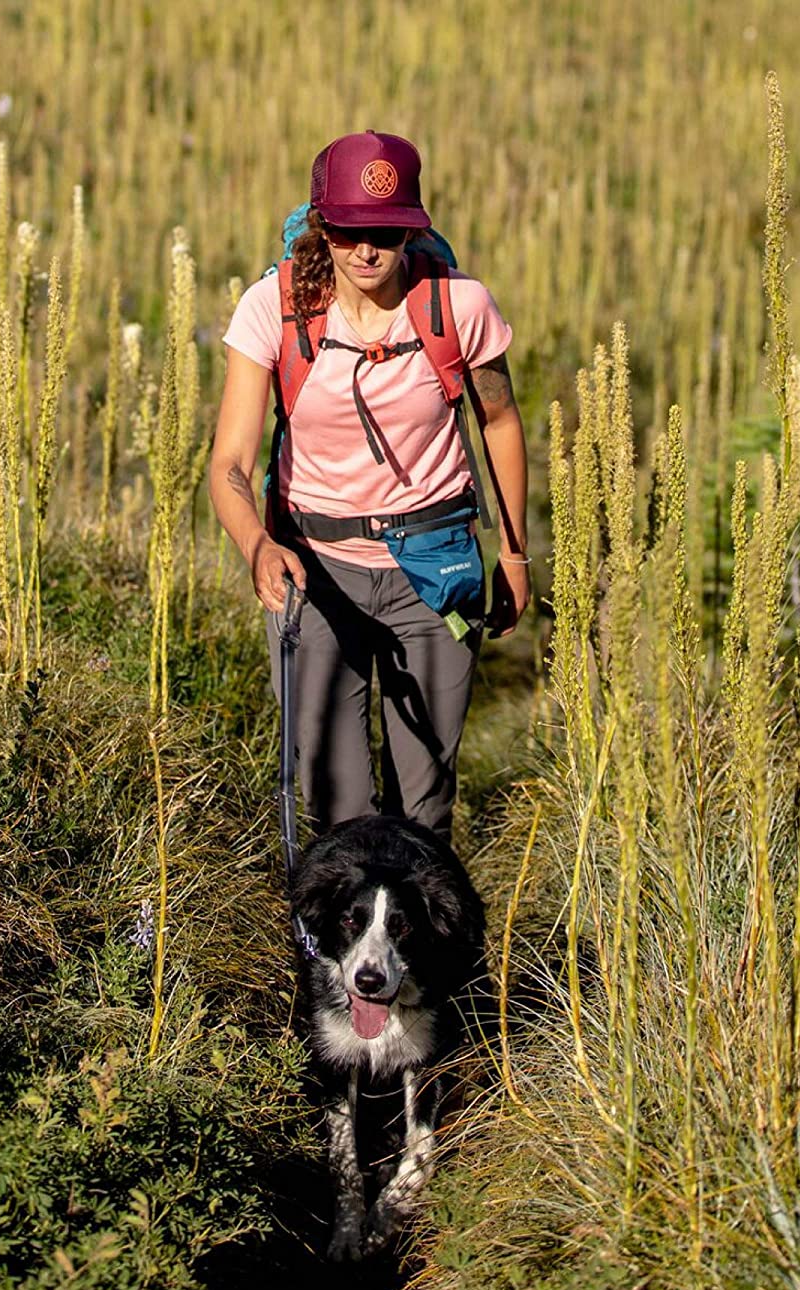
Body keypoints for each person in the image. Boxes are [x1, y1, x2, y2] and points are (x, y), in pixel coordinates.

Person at [208, 130, 529, 842]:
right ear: (323, 225)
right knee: (337, 809)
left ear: (411, 227)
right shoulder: (274, 308)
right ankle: (344, 954)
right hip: (314, 574)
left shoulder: (459, 307)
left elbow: (500, 421)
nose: (367, 250)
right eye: (349, 229)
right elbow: (227, 462)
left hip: (435, 574)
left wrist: (513, 556)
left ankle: (421, 949)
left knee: (424, 808)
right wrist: (257, 546)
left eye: (386, 231)